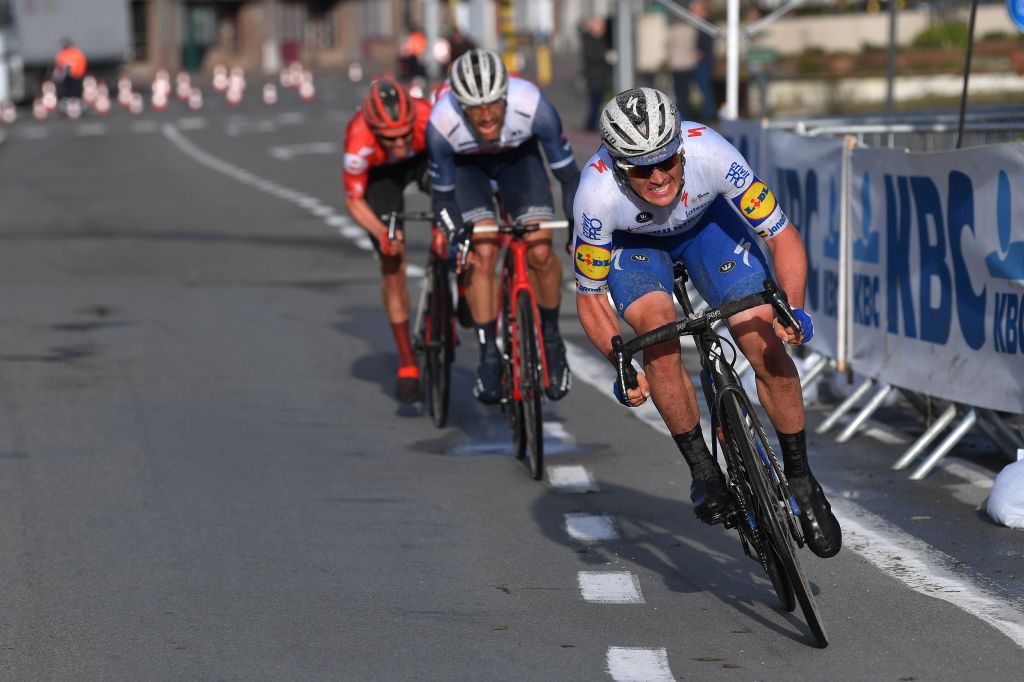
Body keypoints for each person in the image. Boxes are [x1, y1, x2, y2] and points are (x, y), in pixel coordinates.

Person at [572, 87, 841, 558]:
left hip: (707, 230)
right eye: (640, 168)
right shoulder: (595, 194)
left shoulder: (711, 152)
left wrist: (793, 308)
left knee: (763, 340)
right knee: (657, 338)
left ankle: (801, 480)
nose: (657, 177)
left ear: (680, 148)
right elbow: (591, 298)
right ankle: (703, 471)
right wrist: (617, 361)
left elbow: (782, 237)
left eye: (666, 161)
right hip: (635, 248)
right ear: (617, 166)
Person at [427, 48, 580, 404]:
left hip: (518, 162)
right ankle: (488, 355)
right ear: (458, 103)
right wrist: (455, 234)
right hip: (468, 171)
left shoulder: (534, 106)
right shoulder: (441, 123)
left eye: (492, 104)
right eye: (473, 107)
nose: (484, 115)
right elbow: (442, 199)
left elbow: (569, 176)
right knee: (483, 252)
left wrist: (577, 225)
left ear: (505, 96)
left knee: (541, 248)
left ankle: (552, 341)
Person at [343, 78, 433, 403]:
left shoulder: (426, 115)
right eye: (389, 137)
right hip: (380, 178)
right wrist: (384, 234)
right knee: (392, 264)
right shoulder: (358, 138)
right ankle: (408, 361)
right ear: (374, 128)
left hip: (422, 161)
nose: (398, 143)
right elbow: (354, 201)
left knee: (451, 206)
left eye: (404, 134)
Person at [580, 17, 612, 131]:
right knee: (595, 102)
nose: (603, 29)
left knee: (598, 102)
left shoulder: (602, 39)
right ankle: (590, 125)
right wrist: (605, 56)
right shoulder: (589, 40)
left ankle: (592, 123)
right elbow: (591, 56)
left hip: (601, 77)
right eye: (600, 27)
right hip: (594, 77)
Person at [666, 17, 698, 118]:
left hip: (677, 64)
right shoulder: (692, 30)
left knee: (679, 91)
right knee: (687, 91)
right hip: (689, 64)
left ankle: (681, 114)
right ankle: (688, 112)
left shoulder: (674, 30)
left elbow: (667, 44)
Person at [690, 1, 717, 121]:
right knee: (703, 87)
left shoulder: (705, 24)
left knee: (705, 87)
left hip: (704, 60)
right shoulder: (701, 24)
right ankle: (707, 111)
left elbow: (706, 42)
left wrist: (701, 52)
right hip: (703, 59)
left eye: (694, 9)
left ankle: (708, 113)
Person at [53, 37, 87, 107]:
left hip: (73, 76)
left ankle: (73, 102)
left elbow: (60, 66)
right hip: (72, 77)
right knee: (71, 90)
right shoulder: (75, 53)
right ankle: (71, 102)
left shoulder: (70, 54)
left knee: (72, 90)